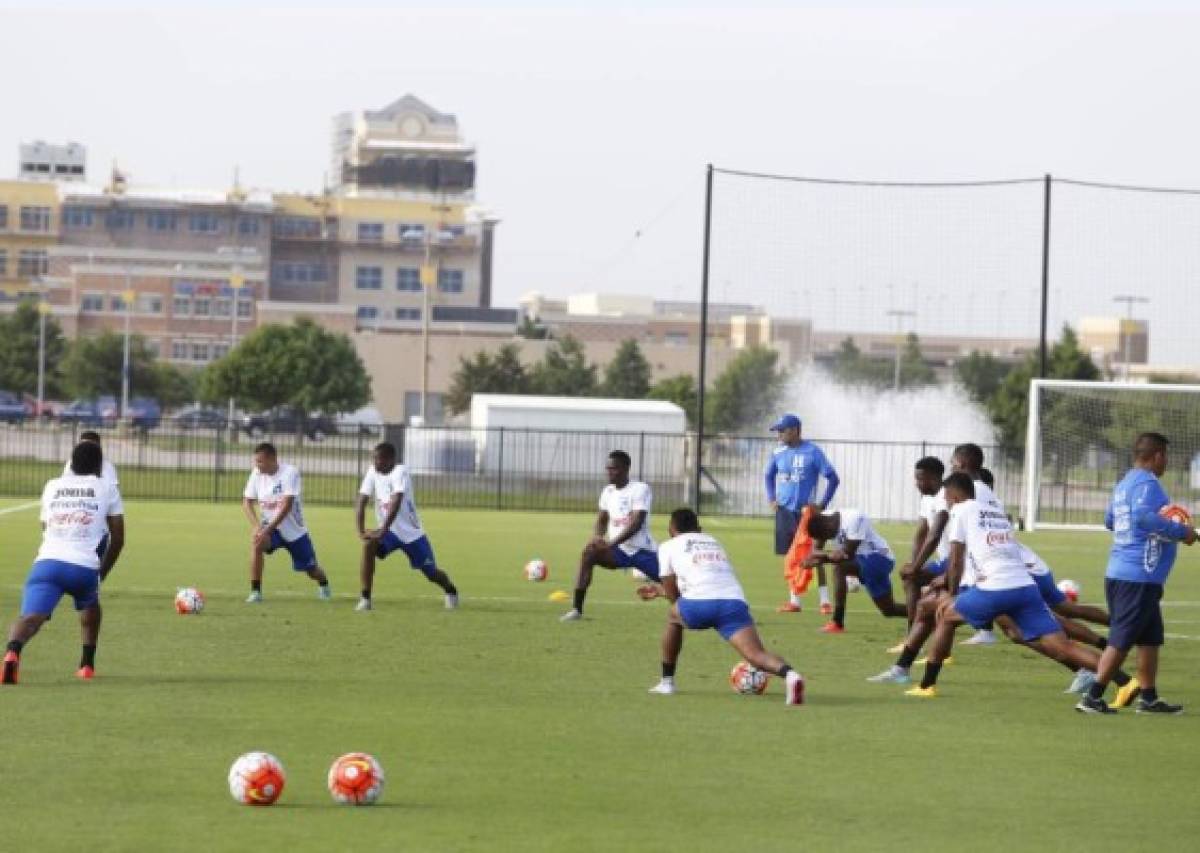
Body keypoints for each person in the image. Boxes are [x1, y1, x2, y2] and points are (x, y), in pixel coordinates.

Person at [903, 472, 1108, 699]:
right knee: (1029, 632)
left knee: (944, 613)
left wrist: (952, 591)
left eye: (947, 499)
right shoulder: (995, 513)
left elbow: (957, 559)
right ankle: (1114, 672)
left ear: (954, 496)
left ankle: (923, 682)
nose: (947, 504)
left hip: (1005, 581)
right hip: (1018, 579)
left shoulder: (963, 510)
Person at [1077, 432, 1197, 715]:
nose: (1166, 462)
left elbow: (1111, 520)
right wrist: (1182, 532)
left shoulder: (1124, 484)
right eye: (1164, 456)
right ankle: (1093, 696)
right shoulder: (1147, 483)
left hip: (1125, 572)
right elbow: (1144, 518)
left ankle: (1149, 698)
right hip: (1137, 576)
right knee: (1123, 638)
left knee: (1150, 638)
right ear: (1156, 456)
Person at [642, 508, 805, 705]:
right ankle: (791, 676)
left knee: (672, 617)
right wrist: (666, 593)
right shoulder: (713, 541)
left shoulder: (668, 546)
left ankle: (667, 682)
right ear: (699, 529)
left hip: (698, 605)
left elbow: (674, 594)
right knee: (756, 655)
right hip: (733, 603)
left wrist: (665, 595)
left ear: (670, 529)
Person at [3, 441, 124, 684]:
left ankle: (12, 651)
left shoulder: (52, 486)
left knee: (30, 618)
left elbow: (45, 526)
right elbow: (118, 538)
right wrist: (100, 575)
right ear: (99, 465)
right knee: (91, 604)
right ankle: (86, 664)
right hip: (83, 566)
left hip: (47, 563)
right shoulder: (106, 487)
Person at [354, 442, 459, 611]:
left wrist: (382, 529)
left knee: (431, 573)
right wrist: (360, 530)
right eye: (373, 459)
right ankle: (365, 599)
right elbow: (362, 499)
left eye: (378, 459)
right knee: (368, 546)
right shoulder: (372, 471)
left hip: (412, 535)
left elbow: (396, 501)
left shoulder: (400, 471)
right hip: (390, 533)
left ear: (390, 460)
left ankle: (450, 589)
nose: (374, 462)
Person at [560, 451, 659, 622]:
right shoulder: (608, 492)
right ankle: (576, 610)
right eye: (608, 468)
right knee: (588, 553)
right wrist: (597, 537)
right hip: (618, 551)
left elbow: (636, 523)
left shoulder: (640, 489)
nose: (609, 472)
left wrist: (611, 544)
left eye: (614, 468)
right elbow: (602, 519)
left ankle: (694, 607)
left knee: (672, 583)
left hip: (642, 550)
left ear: (626, 469)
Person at [764, 413, 839, 614]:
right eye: (777, 431)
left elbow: (833, 478)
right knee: (791, 556)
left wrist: (822, 504)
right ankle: (794, 601)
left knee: (814, 554)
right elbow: (768, 475)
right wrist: (771, 497)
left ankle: (824, 601)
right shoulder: (778, 452)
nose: (778, 434)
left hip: (807, 513)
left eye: (782, 430)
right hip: (785, 512)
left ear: (795, 430)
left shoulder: (813, 451)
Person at [241, 442, 331, 603]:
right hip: (271, 529)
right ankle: (256, 592)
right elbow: (246, 502)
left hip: (294, 531)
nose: (257, 465)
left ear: (272, 459)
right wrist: (257, 527)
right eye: (256, 461)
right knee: (257, 543)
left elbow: (287, 506)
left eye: (260, 461)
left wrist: (266, 529)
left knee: (311, 570)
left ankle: (323, 584)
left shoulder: (290, 472)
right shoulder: (256, 473)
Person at [802, 506, 906, 633]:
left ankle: (837, 622)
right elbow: (815, 551)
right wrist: (818, 558)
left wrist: (822, 558)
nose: (828, 539)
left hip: (879, 559)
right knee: (889, 610)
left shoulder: (855, 518)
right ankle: (837, 622)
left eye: (827, 537)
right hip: (861, 560)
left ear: (828, 527)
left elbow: (847, 554)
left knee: (839, 568)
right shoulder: (823, 520)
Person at [62, 430, 120, 561]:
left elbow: (112, 495)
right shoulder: (70, 465)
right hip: (74, 524)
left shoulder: (108, 467)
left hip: (96, 526)